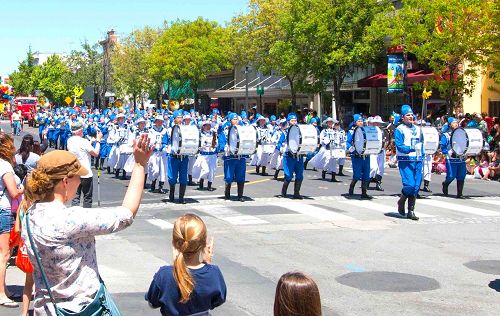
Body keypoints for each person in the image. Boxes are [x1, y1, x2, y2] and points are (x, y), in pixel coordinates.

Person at [20, 135, 152, 314]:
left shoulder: (29, 215)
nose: (80, 182)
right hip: (80, 308)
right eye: (77, 178)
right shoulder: (70, 218)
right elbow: (126, 215)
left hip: (46, 308)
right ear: (65, 182)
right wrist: (139, 165)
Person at [145, 214, 227, 315]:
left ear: (175, 243)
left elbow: (152, 303)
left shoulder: (165, 274)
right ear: (204, 243)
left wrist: (176, 266)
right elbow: (218, 300)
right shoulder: (214, 273)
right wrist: (207, 265)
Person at [0, 133, 23, 308]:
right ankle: (1, 293)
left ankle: (4, 289)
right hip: (4, 209)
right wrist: (25, 187)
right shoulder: (5, 165)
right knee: (4, 254)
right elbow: (13, 192)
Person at [394, 105, 421, 220]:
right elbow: (399, 146)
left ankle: (411, 211)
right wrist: (411, 148)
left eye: (411, 114)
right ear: (403, 117)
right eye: (408, 115)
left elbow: (422, 143)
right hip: (405, 160)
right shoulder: (399, 129)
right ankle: (402, 200)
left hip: (418, 159)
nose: (410, 117)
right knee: (409, 185)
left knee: (416, 186)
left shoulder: (419, 129)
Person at [67, 121, 102, 208]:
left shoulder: (70, 140)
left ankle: (74, 216)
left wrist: (90, 142)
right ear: (79, 131)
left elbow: (81, 149)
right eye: (82, 130)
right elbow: (95, 153)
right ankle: (86, 216)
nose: (83, 132)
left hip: (74, 171)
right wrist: (98, 141)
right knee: (87, 197)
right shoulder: (84, 141)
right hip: (85, 172)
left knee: (75, 197)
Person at [218, 113, 248, 201]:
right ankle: (227, 193)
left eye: (237, 119)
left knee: (241, 176)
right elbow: (221, 140)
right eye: (234, 119)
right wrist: (224, 147)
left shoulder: (242, 129)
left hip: (240, 156)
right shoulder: (225, 130)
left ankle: (240, 195)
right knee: (229, 177)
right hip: (230, 157)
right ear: (230, 120)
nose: (236, 121)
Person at [277, 113, 305, 199]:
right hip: (288, 156)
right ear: (288, 122)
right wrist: (281, 149)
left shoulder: (300, 132)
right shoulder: (285, 132)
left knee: (300, 175)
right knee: (288, 175)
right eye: (292, 120)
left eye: (295, 120)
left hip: (298, 156)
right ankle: (283, 192)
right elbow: (279, 143)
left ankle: (296, 192)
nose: (294, 122)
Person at [440, 117, 467, 198]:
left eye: (456, 122)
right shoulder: (446, 135)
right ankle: (445, 184)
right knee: (451, 175)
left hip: (460, 157)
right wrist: (447, 152)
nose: (456, 124)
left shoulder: (461, 133)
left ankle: (460, 194)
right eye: (453, 123)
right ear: (449, 124)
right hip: (451, 158)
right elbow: (443, 145)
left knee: (462, 175)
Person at [346, 114, 371, 199]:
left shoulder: (366, 130)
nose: (361, 122)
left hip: (366, 155)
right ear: (355, 122)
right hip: (356, 156)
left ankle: (364, 192)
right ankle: (351, 187)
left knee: (366, 174)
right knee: (357, 175)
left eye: (361, 121)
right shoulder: (351, 132)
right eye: (359, 121)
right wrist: (351, 148)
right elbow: (347, 142)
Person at [168, 111, 189, 204]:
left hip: (184, 157)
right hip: (174, 157)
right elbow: (165, 142)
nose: (180, 119)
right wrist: (168, 148)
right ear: (174, 119)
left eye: (181, 117)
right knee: (172, 178)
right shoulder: (169, 130)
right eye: (178, 117)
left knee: (184, 178)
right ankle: (171, 193)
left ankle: (181, 197)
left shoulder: (186, 129)